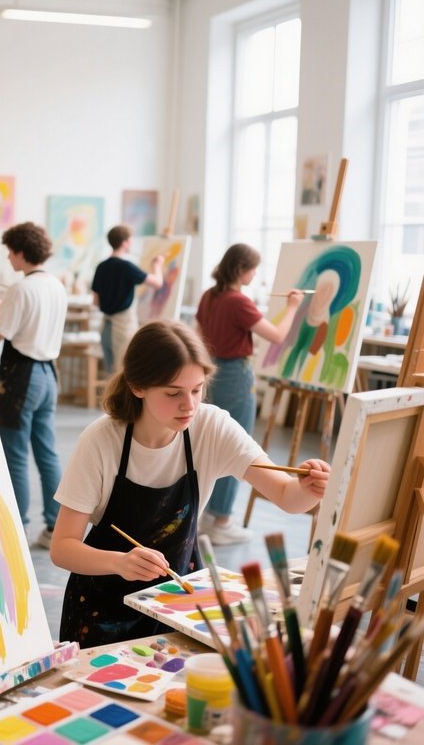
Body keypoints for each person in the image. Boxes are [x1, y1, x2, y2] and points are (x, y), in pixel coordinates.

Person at [50, 320, 328, 648]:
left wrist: (309, 489)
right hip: (101, 611)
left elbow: (287, 496)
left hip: (176, 601)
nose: (189, 405)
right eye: (173, 393)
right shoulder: (101, 441)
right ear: (137, 386)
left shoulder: (210, 427)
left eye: (197, 389)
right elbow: (62, 547)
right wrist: (119, 562)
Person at [0, 222, 67, 549]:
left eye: (10, 252)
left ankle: (17, 528)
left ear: (21, 252)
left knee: (15, 455)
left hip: (22, 379)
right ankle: (55, 526)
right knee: (46, 453)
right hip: (48, 376)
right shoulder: (53, 284)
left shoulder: (22, 289)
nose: (7, 258)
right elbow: (16, 319)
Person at [195, 243, 303, 545]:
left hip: (209, 372)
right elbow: (278, 336)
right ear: (241, 269)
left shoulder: (209, 296)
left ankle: (206, 514)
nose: (255, 275)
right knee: (236, 444)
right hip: (234, 375)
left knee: (209, 442)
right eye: (253, 269)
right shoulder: (237, 301)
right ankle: (223, 520)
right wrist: (293, 307)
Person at [91, 225, 164, 373]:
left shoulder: (101, 266)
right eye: (130, 240)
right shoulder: (127, 267)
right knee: (123, 373)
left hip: (105, 327)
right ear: (124, 242)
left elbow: (96, 301)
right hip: (123, 327)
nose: (131, 243)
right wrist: (157, 265)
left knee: (110, 374)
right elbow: (157, 283)